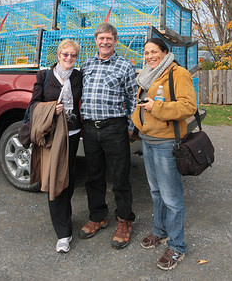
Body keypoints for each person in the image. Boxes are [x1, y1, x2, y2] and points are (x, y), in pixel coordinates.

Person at [131, 38, 197, 271]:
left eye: (154, 52)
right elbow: (140, 104)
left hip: (166, 143)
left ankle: (178, 246)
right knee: (156, 192)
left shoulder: (178, 73)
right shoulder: (149, 74)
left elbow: (189, 107)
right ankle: (159, 232)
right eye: (147, 52)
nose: (150, 56)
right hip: (148, 141)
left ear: (165, 52)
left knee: (172, 197)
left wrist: (156, 108)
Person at [79, 23, 138, 249]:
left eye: (109, 38)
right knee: (94, 176)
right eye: (101, 38)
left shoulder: (124, 66)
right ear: (96, 40)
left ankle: (124, 220)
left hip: (115, 128)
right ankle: (98, 216)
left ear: (115, 41)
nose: (105, 42)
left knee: (120, 177)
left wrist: (131, 126)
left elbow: (133, 98)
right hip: (91, 129)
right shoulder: (87, 65)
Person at [26, 39, 82, 253]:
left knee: (69, 178)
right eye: (65, 54)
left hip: (73, 134)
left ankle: (65, 217)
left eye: (73, 55)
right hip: (53, 136)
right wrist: (51, 109)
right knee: (55, 178)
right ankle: (63, 233)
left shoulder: (78, 76)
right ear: (58, 55)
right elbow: (33, 105)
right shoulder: (44, 76)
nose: (69, 58)